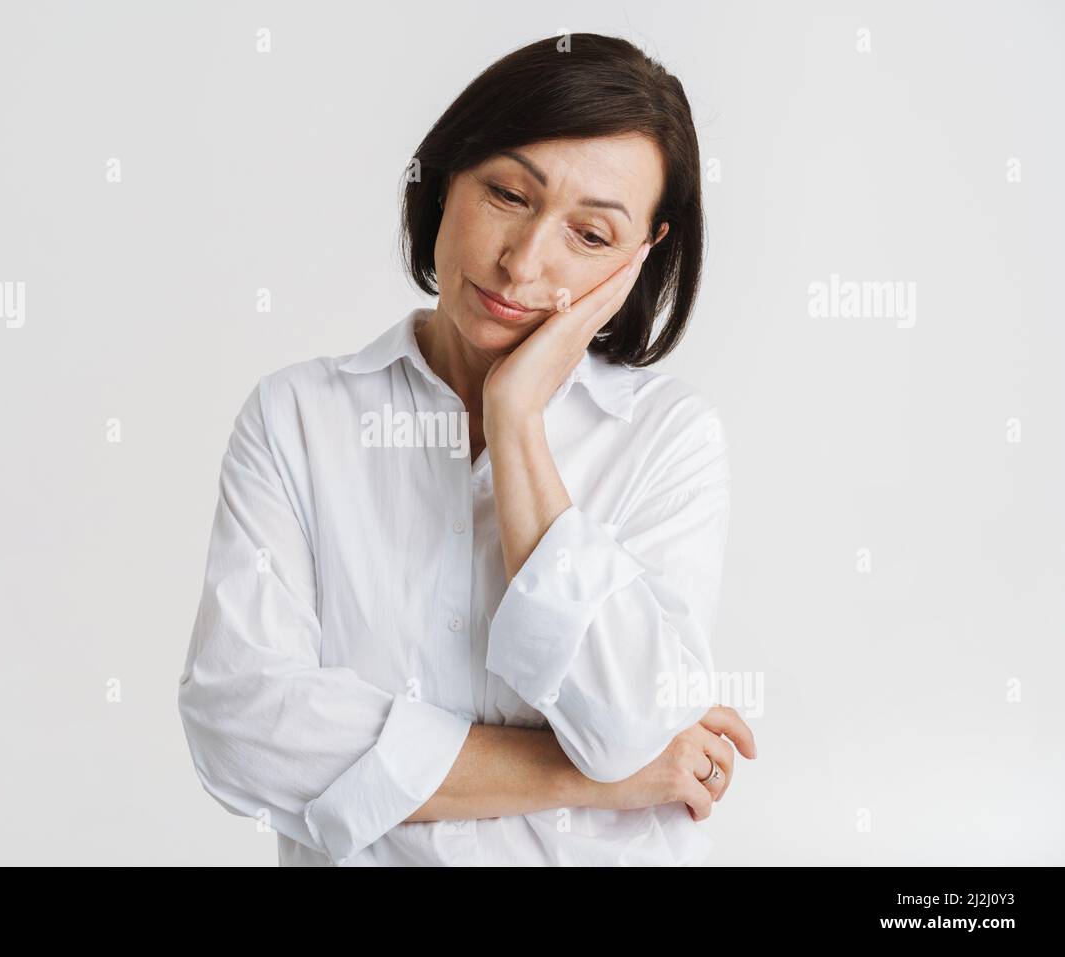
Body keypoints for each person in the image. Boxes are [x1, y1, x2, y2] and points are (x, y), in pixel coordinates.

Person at [178, 32, 757, 866]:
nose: (523, 263)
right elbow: (239, 723)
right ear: (447, 177)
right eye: (509, 193)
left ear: (640, 259)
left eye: (591, 236)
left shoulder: (670, 439)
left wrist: (516, 418)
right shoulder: (298, 417)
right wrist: (590, 778)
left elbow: (631, 721)